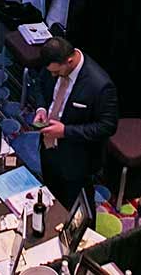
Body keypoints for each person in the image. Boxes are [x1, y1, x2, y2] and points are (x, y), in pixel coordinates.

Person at [31, 36, 119, 206]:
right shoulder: (54, 64)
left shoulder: (100, 85)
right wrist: (41, 108)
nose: (52, 75)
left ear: (69, 61)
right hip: (48, 148)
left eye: (56, 72)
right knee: (51, 200)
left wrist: (65, 131)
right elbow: (40, 85)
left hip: (76, 161)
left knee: (78, 209)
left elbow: (107, 126)